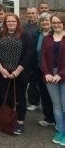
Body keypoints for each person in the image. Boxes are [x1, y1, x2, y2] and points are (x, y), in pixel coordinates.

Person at [0, 13, 32, 135]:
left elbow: (28, 55)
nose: (11, 23)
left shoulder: (25, 35)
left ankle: (20, 122)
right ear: (5, 23)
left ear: (17, 22)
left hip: (20, 73)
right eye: (8, 21)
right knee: (7, 98)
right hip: (3, 73)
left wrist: (16, 72)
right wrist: (1, 70)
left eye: (13, 21)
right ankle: (8, 118)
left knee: (19, 98)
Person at [41, 14, 65, 145]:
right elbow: (42, 57)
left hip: (63, 76)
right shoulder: (47, 38)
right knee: (56, 105)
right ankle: (60, 130)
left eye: (59, 22)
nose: (56, 25)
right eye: (54, 22)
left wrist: (60, 74)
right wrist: (46, 73)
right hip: (50, 76)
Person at [35, 12, 55, 127]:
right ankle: (49, 118)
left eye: (47, 20)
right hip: (39, 69)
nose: (45, 22)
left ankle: (58, 120)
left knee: (54, 96)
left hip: (51, 70)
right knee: (44, 94)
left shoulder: (55, 35)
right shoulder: (38, 34)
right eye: (42, 21)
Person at [23, 6, 40, 111]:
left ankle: (38, 102)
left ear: (37, 14)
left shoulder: (40, 25)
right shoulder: (23, 26)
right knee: (28, 81)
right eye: (29, 13)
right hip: (26, 57)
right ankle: (31, 101)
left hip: (37, 58)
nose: (31, 15)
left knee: (38, 82)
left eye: (33, 13)